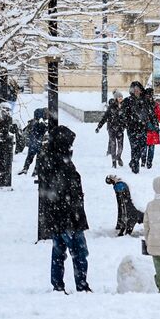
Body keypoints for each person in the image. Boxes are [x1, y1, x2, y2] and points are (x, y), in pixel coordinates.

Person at [35, 120, 91, 293]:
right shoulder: (61, 163)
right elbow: (69, 190)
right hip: (69, 216)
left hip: (56, 216)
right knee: (79, 253)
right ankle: (81, 285)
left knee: (58, 252)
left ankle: (57, 284)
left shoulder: (48, 159)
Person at [120, 81, 152, 174]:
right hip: (132, 128)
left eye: (138, 89)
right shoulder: (127, 101)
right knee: (134, 147)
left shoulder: (145, 100)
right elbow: (123, 115)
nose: (136, 91)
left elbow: (150, 113)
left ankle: (133, 161)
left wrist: (151, 124)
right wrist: (127, 122)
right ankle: (135, 165)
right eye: (134, 89)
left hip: (143, 128)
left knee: (142, 147)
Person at [0, 103, 20, 189]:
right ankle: (1, 181)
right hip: (3, 142)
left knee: (1, 164)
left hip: (4, 142)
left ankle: (1, 181)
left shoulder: (2, 120)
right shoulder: (4, 120)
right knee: (1, 164)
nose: (6, 113)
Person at [94, 95, 125, 168]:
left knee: (120, 146)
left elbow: (127, 118)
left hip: (120, 129)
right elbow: (104, 118)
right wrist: (99, 127)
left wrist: (125, 125)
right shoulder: (111, 107)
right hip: (111, 128)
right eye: (119, 97)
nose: (120, 98)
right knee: (113, 145)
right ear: (116, 98)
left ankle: (118, 157)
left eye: (121, 97)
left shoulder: (124, 106)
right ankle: (113, 162)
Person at [143, 87, 160, 169]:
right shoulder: (155, 105)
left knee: (144, 146)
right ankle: (149, 163)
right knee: (151, 147)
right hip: (153, 128)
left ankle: (144, 162)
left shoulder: (142, 104)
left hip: (145, 128)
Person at [18, 107, 46, 175]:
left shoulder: (33, 122)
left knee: (30, 157)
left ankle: (25, 168)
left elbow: (27, 131)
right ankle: (35, 171)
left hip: (33, 143)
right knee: (38, 158)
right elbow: (42, 132)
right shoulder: (41, 123)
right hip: (39, 143)